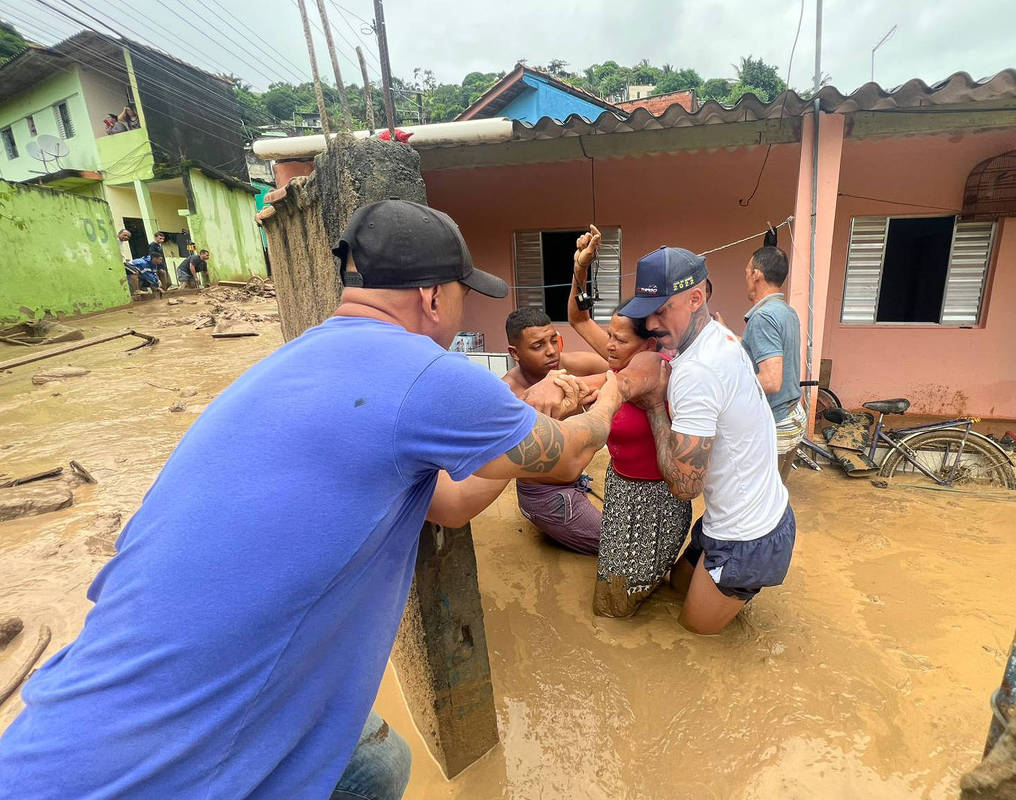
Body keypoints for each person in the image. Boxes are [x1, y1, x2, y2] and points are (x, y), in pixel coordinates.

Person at [0, 199, 629, 799]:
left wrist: (514, 429)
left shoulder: (294, 360)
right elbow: (570, 455)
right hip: (165, 759)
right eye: (465, 294)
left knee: (379, 765)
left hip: (78, 717)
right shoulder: (424, 374)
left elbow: (451, 502)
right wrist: (612, 395)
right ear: (434, 296)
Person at [622, 246, 796, 635]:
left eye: (660, 311)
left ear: (695, 298)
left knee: (692, 639)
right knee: (677, 587)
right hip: (749, 513)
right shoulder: (719, 334)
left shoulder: (697, 372)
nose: (650, 324)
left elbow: (686, 486)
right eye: (645, 313)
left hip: (746, 537)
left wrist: (654, 407)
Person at [568, 226, 692, 617]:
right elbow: (578, 320)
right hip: (622, 491)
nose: (608, 345)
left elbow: (621, 386)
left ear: (650, 344)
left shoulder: (655, 370)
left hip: (655, 501)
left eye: (619, 339)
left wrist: (589, 398)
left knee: (623, 600)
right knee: (613, 594)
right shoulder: (618, 359)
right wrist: (580, 269)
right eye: (609, 335)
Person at [502, 307, 610, 554]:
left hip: (575, 480)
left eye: (554, 340)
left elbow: (621, 373)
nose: (551, 351)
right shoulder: (509, 394)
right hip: (547, 496)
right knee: (622, 547)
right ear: (515, 353)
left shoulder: (570, 365)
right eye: (538, 346)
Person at [741, 246, 806, 477]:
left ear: (757, 274)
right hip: (792, 415)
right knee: (777, 492)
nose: (746, 278)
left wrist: (729, 387)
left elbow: (770, 381)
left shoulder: (763, 317)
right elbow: (765, 349)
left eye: (747, 271)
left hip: (776, 423)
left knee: (759, 496)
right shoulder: (786, 311)